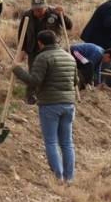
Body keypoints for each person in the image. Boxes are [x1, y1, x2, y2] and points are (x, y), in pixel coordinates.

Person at [12, 30, 77, 182]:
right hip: (69, 104)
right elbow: (75, 82)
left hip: (50, 104)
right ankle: (69, 178)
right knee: (67, 143)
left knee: (51, 141)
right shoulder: (69, 57)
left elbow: (34, 81)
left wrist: (17, 70)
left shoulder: (43, 57)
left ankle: (58, 177)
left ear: (40, 43)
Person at [18, 0, 72, 102]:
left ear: (46, 7)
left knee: (51, 72)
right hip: (33, 48)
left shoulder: (54, 14)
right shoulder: (27, 15)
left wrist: (63, 15)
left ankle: (48, 93)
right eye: (35, 9)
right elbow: (22, 34)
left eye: (40, 9)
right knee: (33, 72)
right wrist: (22, 49)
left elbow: (69, 26)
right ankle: (31, 96)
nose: (37, 12)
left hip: (51, 49)